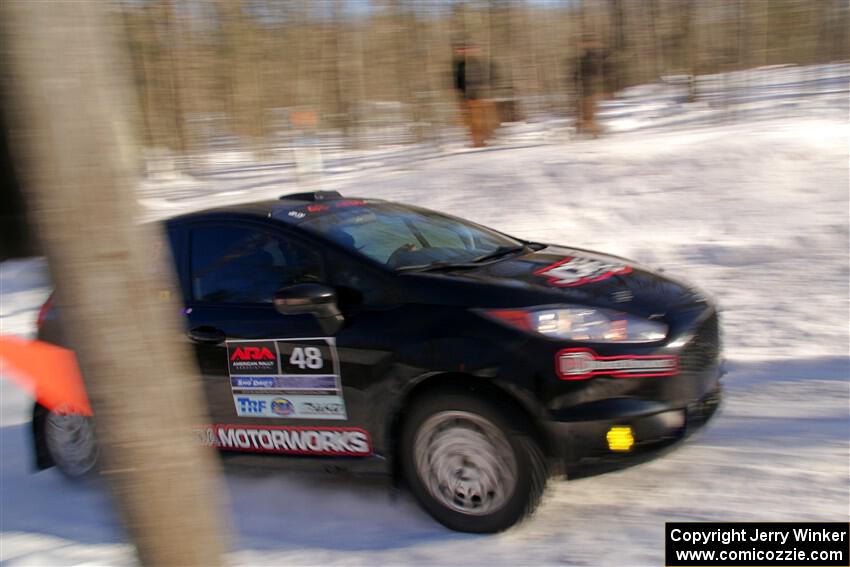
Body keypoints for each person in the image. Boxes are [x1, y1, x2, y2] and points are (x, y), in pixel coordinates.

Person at [452, 42, 492, 148]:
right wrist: (460, 92)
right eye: (460, 49)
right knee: (468, 121)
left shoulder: (475, 62)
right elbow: (456, 80)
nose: (463, 51)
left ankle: (480, 141)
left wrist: (478, 89)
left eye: (465, 49)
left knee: (477, 119)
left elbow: (481, 78)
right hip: (464, 97)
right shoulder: (458, 63)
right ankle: (475, 141)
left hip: (475, 96)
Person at [573, 35, 612, 137]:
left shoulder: (593, 58)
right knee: (583, 114)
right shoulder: (585, 58)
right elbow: (577, 74)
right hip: (584, 91)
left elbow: (605, 57)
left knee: (588, 115)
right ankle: (589, 132)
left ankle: (595, 133)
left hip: (589, 91)